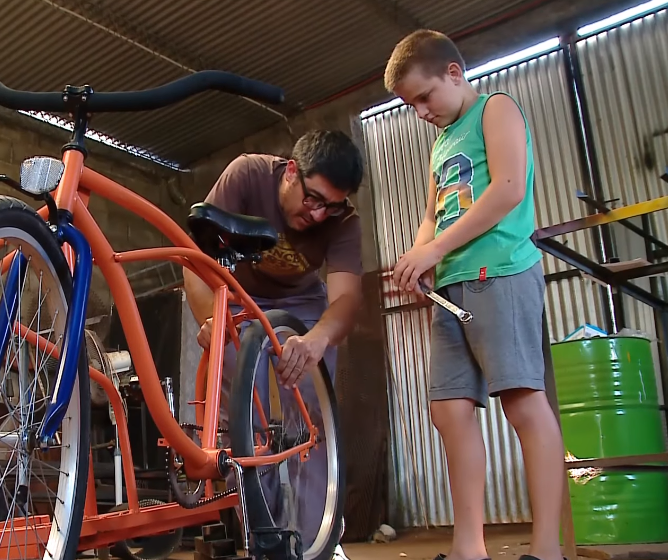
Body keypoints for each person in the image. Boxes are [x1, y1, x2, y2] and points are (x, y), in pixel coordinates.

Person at [384, 30, 565, 560]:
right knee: (447, 410)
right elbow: (432, 212)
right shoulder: (442, 140)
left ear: (454, 73)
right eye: (409, 105)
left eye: (424, 97)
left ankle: (547, 548)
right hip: (452, 284)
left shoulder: (495, 109)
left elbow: (508, 188)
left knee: (523, 402)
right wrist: (417, 257)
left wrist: (434, 249)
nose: (420, 112)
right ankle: (469, 549)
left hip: (502, 272)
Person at [182, 129, 364, 560]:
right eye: (313, 199)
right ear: (291, 172)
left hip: (302, 301)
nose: (319, 215)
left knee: (311, 421)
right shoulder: (246, 175)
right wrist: (212, 318)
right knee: (243, 419)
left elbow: (346, 299)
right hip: (238, 296)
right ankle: (263, 535)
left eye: (332, 206)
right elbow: (196, 259)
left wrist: (316, 341)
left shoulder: (343, 220)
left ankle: (320, 537)